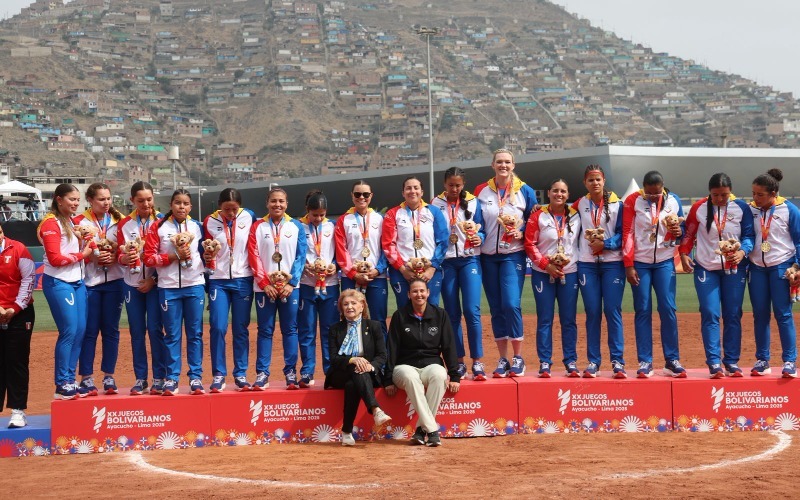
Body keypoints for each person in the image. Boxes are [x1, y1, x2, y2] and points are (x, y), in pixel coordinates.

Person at [679, 173, 755, 378]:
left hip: (734, 268)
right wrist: (684, 253)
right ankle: (714, 362)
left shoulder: (741, 207)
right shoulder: (699, 208)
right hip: (706, 267)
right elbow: (689, 234)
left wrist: (742, 251)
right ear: (709, 192)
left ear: (730, 192)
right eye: (716, 195)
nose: (720, 199)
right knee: (710, 312)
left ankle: (731, 361)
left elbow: (749, 235)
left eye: (724, 195)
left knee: (733, 314)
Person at [474, 149, 538, 377]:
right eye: (499, 161)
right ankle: (503, 359)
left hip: (513, 254)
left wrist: (523, 232)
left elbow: (535, 220)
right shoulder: (481, 191)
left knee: (511, 304)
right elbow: (477, 223)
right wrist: (477, 237)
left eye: (507, 162)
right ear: (492, 165)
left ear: (513, 164)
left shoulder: (525, 190)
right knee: (496, 307)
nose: (503, 165)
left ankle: (518, 357)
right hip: (488, 256)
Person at [622, 170, 686, 378]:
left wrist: (679, 233)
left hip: (665, 262)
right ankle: (645, 361)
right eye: (649, 193)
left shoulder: (674, 200)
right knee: (642, 310)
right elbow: (627, 232)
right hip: (640, 262)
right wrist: (629, 265)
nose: (652, 197)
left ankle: (672, 360)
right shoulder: (633, 200)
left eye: (656, 193)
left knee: (668, 308)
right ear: (643, 187)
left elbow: (680, 230)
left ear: (663, 186)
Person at [143, 189, 206, 396]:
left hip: (194, 284)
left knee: (195, 334)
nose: (181, 207)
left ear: (190, 206)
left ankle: (196, 377)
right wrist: (172, 256)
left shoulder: (198, 227)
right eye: (177, 203)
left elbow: (207, 254)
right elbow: (149, 258)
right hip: (168, 287)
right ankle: (172, 379)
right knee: (172, 335)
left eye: (186, 203)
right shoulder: (158, 227)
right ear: (171, 204)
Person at [384, 278, 460, 447]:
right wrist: (388, 378)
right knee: (411, 377)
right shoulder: (400, 316)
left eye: (422, 291)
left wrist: (454, 375)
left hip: (430, 364)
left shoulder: (440, 315)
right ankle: (432, 431)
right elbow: (392, 348)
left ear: (428, 292)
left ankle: (420, 431)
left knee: (440, 375)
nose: (419, 294)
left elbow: (448, 346)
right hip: (404, 366)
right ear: (408, 294)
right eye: (415, 291)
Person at [247, 187, 307, 390]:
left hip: (291, 288)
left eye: (281, 201)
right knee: (265, 330)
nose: (277, 205)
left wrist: (291, 283)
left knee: (290, 329)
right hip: (265, 288)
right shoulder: (257, 227)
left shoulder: (296, 226)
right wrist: (264, 283)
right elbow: (253, 256)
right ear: (267, 203)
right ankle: (262, 374)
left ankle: (290, 372)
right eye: (273, 201)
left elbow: (301, 256)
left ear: (287, 204)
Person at [430, 167, 486, 380]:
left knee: (472, 311)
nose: (454, 189)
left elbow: (483, 228)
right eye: (451, 185)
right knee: (452, 314)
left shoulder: (473, 201)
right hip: (446, 263)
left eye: (458, 185)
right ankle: (459, 362)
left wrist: (479, 236)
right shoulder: (435, 204)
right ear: (444, 184)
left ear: (463, 185)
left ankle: (478, 362)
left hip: (469, 259)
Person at [39, 183, 94, 400]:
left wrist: (87, 245)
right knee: (69, 331)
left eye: (77, 200)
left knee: (80, 330)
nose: (75, 203)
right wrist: (84, 254)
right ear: (58, 199)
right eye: (71, 199)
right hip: (59, 282)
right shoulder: (51, 223)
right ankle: (61, 383)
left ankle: (70, 380)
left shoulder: (72, 221)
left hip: (77, 282)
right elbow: (55, 259)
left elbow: (85, 249)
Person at [571, 165, 627, 378]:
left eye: (598, 179)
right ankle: (593, 361)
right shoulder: (579, 204)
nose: (595, 183)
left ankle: (617, 361)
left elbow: (625, 233)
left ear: (604, 181)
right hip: (587, 264)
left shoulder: (617, 204)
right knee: (592, 313)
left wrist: (606, 244)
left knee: (612, 312)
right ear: (585, 183)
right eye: (590, 180)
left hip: (613, 263)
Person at [524, 179, 581, 378]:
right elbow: (529, 244)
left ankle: (571, 361)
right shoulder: (538, 215)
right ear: (548, 193)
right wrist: (545, 265)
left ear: (568, 194)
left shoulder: (576, 214)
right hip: (542, 273)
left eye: (563, 191)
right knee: (545, 319)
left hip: (569, 272)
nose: (559, 194)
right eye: (555, 191)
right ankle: (545, 362)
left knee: (568, 319)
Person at [747, 169, 800, 378]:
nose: (755, 198)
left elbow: (799, 241)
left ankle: (789, 362)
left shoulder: (790, 210)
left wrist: (797, 266)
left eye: (760, 194)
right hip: (757, 268)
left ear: (773, 193)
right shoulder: (749, 210)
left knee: (783, 314)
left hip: (781, 267)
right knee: (760, 315)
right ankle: (762, 360)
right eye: (753, 193)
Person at [117, 182, 168, 395]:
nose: (146, 204)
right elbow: (118, 256)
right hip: (132, 284)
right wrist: (125, 257)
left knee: (156, 331)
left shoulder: (164, 221)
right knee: (137, 332)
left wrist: (153, 280)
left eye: (149, 199)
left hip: (156, 285)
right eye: (140, 201)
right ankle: (140, 378)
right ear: (132, 201)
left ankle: (159, 377)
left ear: (153, 198)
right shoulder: (124, 224)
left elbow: (167, 255)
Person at [203, 188, 256, 392]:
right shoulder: (209, 221)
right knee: (217, 326)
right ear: (219, 206)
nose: (231, 213)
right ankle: (218, 375)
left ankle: (241, 374)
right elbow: (204, 250)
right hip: (218, 280)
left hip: (243, 279)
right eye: (226, 209)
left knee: (241, 328)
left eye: (234, 209)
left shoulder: (250, 216)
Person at [75, 183, 125, 396]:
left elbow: (128, 247)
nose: (106, 203)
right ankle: (86, 377)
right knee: (90, 330)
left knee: (111, 330)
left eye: (108, 198)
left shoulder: (120, 220)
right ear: (90, 200)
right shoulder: (78, 222)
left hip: (115, 281)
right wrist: (93, 256)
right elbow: (74, 250)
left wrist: (115, 256)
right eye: (101, 199)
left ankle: (109, 376)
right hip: (91, 283)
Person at [325, 289, 392, 446]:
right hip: (340, 372)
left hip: (368, 373)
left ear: (362, 306)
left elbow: (382, 355)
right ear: (341, 309)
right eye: (345, 304)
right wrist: (353, 359)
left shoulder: (374, 326)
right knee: (355, 369)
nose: (349, 307)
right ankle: (375, 410)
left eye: (353, 303)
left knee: (353, 383)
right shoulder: (335, 329)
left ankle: (347, 431)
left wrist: (370, 366)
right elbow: (334, 359)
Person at [381, 176, 448, 309]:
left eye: (416, 188)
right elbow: (388, 245)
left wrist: (432, 268)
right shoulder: (393, 214)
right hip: (402, 271)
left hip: (429, 270)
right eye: (408, 188)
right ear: (403, 193)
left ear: (422, 192)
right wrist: (402, 269)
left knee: (432, 308)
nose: (412, 191)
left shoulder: (433, 211)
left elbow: (443, 241)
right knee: (405, 309)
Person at [334, 181, 389, 338]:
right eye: (357, 194)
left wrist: (378, 269)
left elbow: (386, 247)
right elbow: (341, 249)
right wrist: (353, 273)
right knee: (350, 319)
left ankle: (382, 361)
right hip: (351, 278)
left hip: (376, 277)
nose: (361, 197)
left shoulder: (380, 219)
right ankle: (352, 359)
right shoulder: (344, 220)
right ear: (352, 196)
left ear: (371, 196)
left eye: (365, 194)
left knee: (379, 320)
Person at [297, 190, 339, 387]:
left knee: (330, 330)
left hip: (330, 286)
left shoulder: (332, 226)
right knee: (307, 330)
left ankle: (330, 371)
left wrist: (335, 266)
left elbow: (341, 252)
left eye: (322, 214)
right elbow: (296, 253)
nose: (318, 218)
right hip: (307, 284)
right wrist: (305, 266)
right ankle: (307, 371)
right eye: (315, 214)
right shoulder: (298, 227)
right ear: (307, 210)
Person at [0, 224, 36, 428]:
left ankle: (17, 411)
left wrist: (13, 308)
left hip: (20, 313)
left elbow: (28, 280)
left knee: (17, 360)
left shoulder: (19, 249)